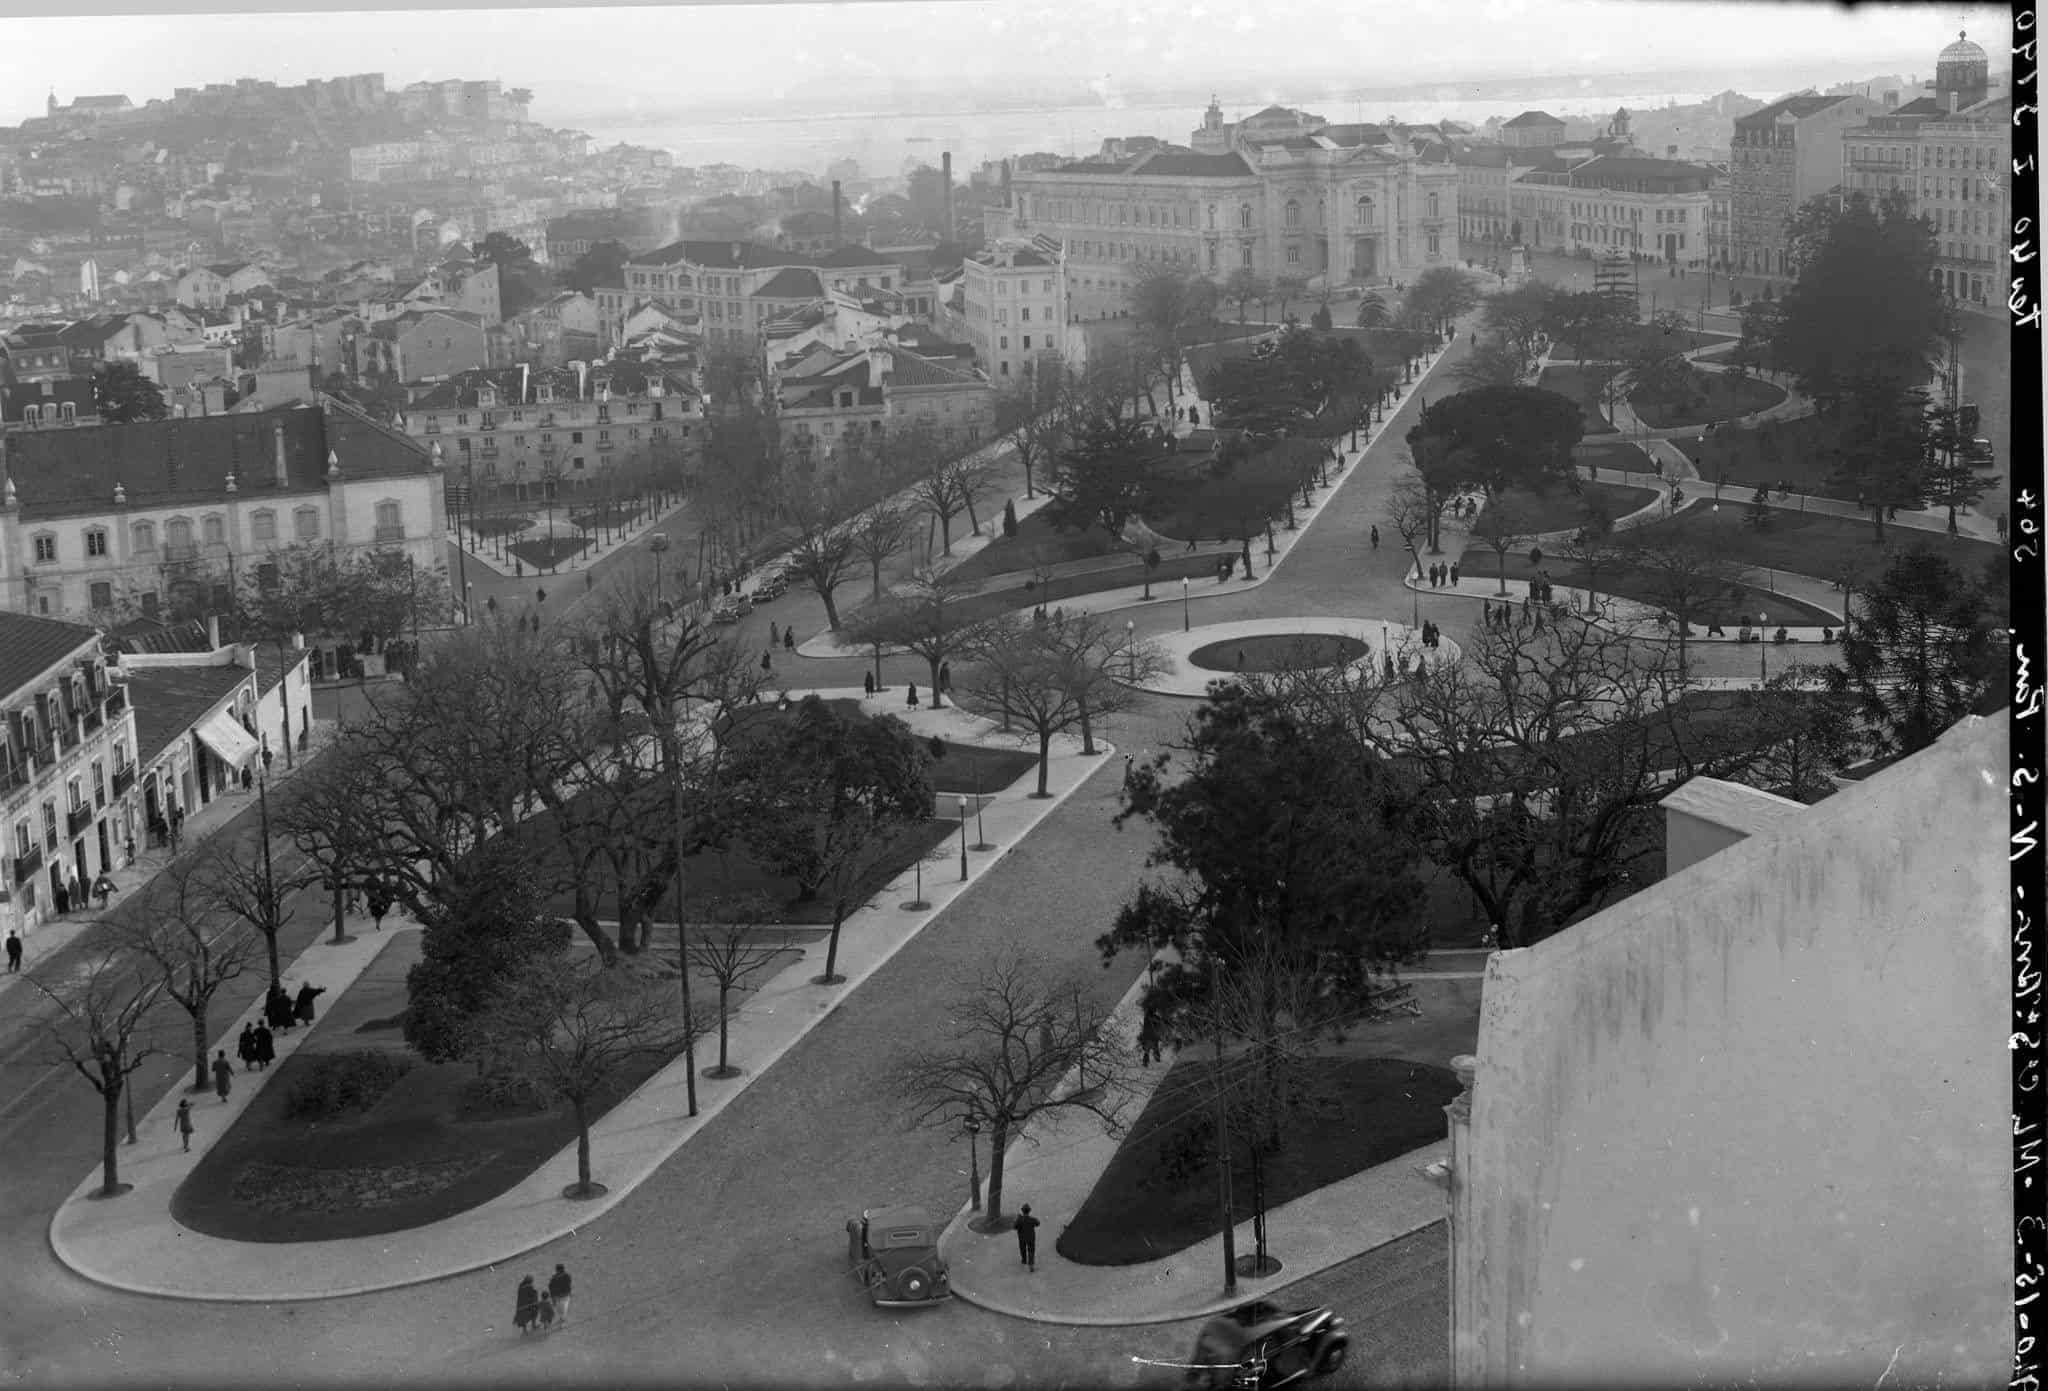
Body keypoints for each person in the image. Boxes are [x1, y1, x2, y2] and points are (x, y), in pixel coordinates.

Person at [1014, 1204, 1041, 1271]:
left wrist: (1017, 1219)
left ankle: (1024, 1260)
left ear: (1022, 1211)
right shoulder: (1032, 1219)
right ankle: (1031, 1264)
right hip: (1031, 1238)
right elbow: (1038, 1223)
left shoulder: (1019, 1220)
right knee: (1031, 1250)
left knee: (1022, 1249)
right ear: (1029, 1211)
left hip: (1022, 1238)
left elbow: (1015, 1227)